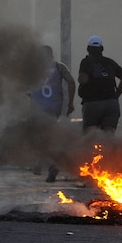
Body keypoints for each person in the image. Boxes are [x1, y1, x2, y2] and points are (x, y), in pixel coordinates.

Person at [30, 45, 76, 182]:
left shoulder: (34, 69)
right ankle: (45, 164)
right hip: (54, 107)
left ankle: (45, 163)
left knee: (42, 136)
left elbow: (27, 89)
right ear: (52, 56)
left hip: (39, 108)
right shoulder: (59, 66)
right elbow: (72, 82)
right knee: (48, 135)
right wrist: (70, 102)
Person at [77, 36, 122, 133]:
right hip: (110, 103)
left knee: (90, 135)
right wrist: (116, 95)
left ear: (88, 49)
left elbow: (83, 80)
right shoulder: (110, 62)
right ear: (102, 49)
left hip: (92, 103)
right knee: (108, 134)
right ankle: (107, 147)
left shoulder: (86, 62)